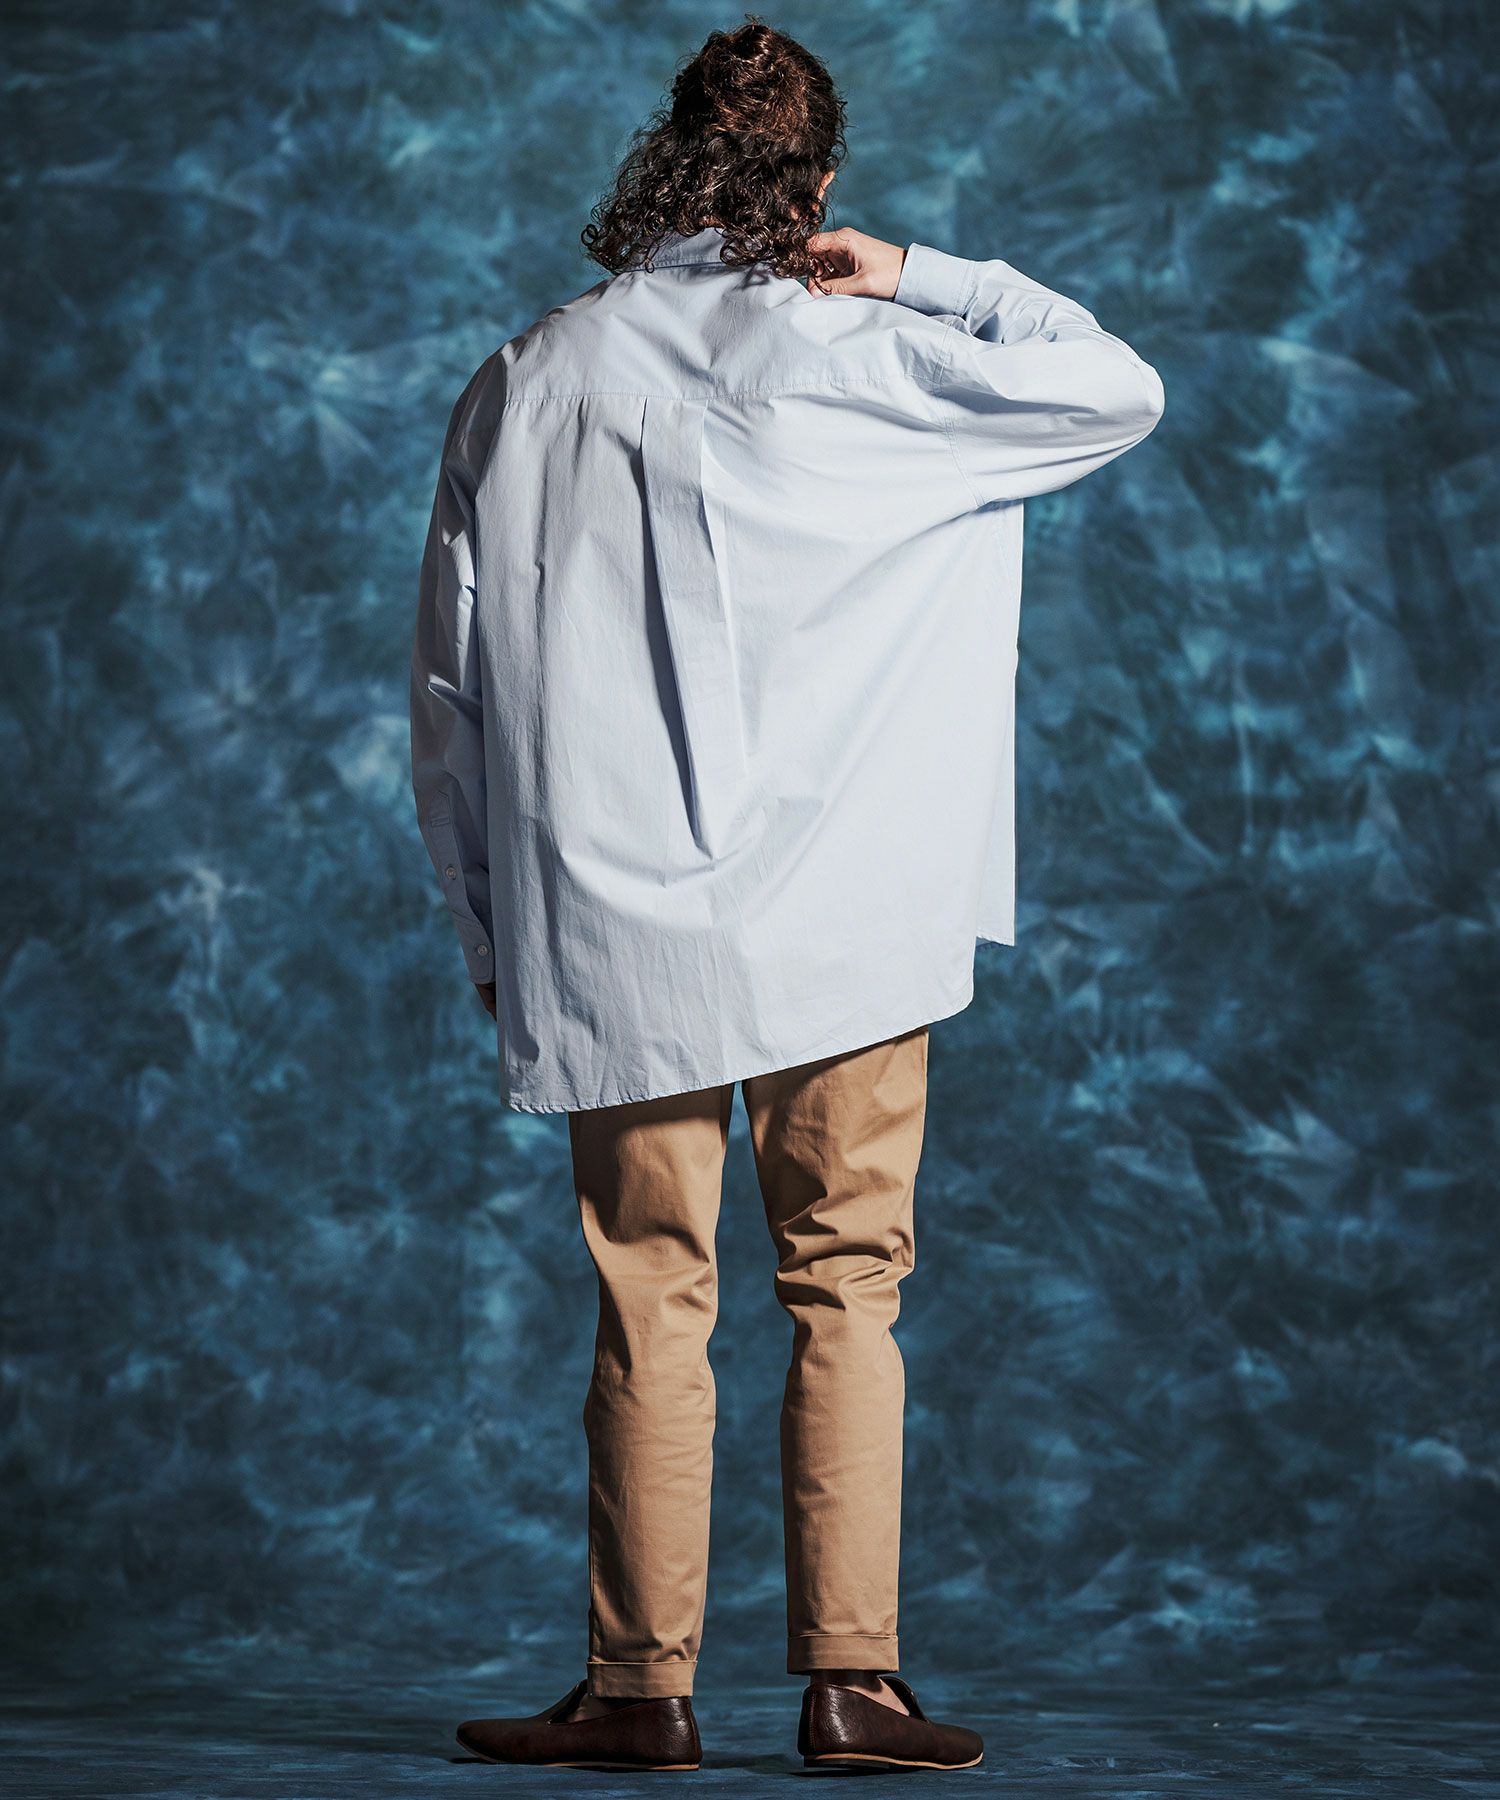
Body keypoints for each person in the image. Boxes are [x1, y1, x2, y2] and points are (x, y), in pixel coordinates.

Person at [411, 15, 1163, 1775]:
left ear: (667, 162)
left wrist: (488, 926)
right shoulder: (884, 356)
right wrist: (919, 273)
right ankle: (852, 1685)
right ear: (812, 185)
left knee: (650, 1295)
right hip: (850, 917)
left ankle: (638, 1689)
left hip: (616, 926)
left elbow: (452, 693)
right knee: (847, 1283)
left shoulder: (530, 377)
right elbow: (1116, 382)